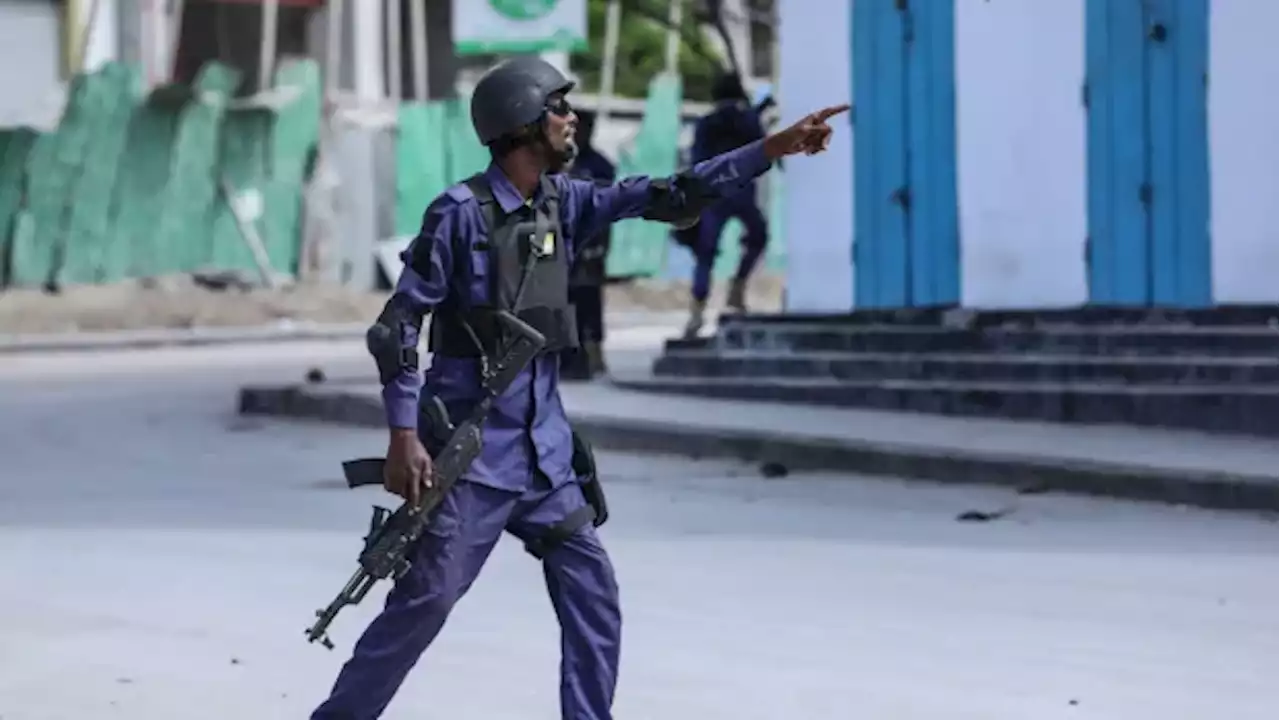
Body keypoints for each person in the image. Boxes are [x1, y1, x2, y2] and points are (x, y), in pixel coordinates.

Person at [308, 55, 848, 720]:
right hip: (468, 456)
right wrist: (401, 437)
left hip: (544, 453)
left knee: (594, 596)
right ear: (522, 126)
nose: (573, 120)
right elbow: (397, 329)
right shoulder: (458, 216)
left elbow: (671, 194)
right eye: (559, 109)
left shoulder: (569, 202)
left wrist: (771, 148)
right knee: (425, 604)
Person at [682, 71, 775, 338]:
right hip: (742, 193)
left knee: (706, 254)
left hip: (713, 195)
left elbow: (697, 160)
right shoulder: (748, 120)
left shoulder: (707, 123)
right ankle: (738, 286)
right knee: (758, 237)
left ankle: (696, 314)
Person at [559, 108, 617, 381]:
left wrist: (601, 244)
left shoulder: (600, 165)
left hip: (590, 241)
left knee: (589, 299)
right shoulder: (557, 161)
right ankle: (569, 356)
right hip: (560, 243)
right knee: (561, 299)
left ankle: (594, 353)